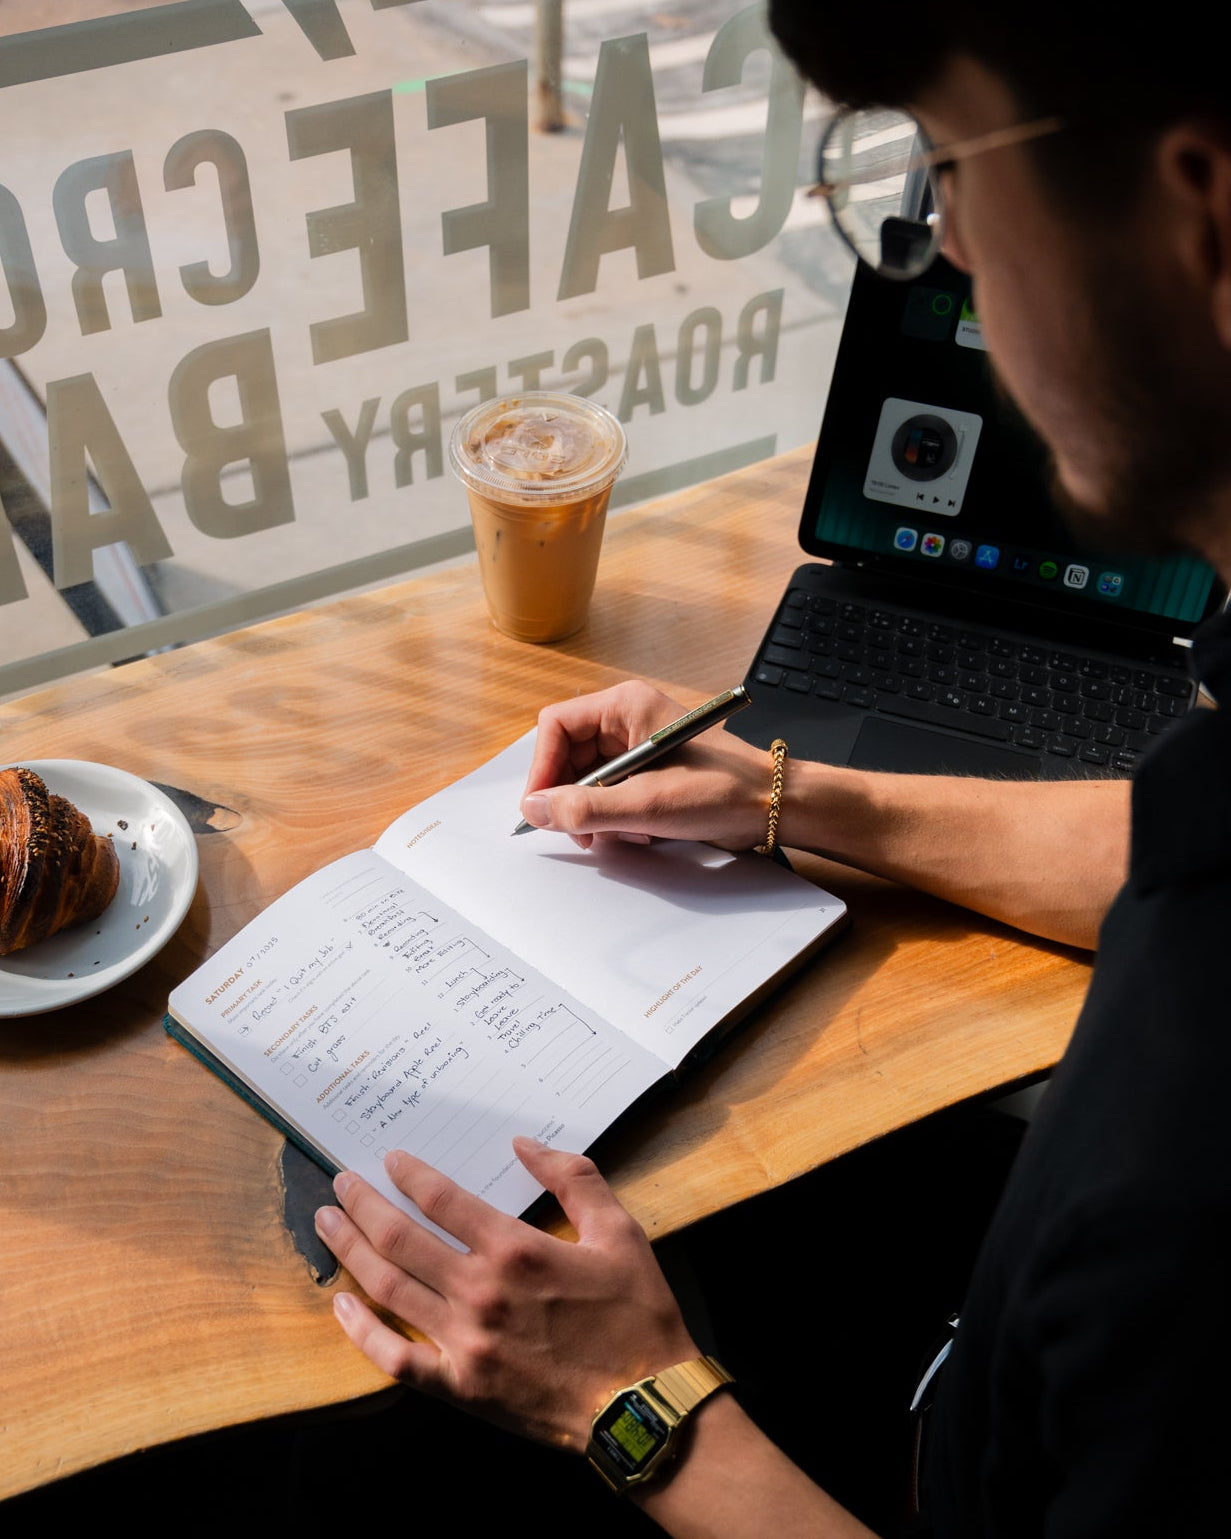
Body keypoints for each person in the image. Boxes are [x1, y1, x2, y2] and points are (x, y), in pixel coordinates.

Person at [312, 4, 1231, 1533]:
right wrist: (797, 795)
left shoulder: (1189, 1201)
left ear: (1205, 214)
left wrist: (637, 1409)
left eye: (952, 164)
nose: (948, 255)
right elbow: (1168, 834)